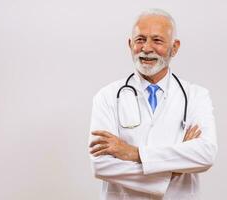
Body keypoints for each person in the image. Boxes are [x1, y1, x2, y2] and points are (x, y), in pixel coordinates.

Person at [88, 8, 217, 200]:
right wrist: (172, 171)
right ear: (130, 44)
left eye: (157, 40)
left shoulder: (196, 96)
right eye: (140, 39)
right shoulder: (107, 96)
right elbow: (101, 165)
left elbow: (205, 154)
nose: (147, 48)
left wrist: (133, 153)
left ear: (175, 47)